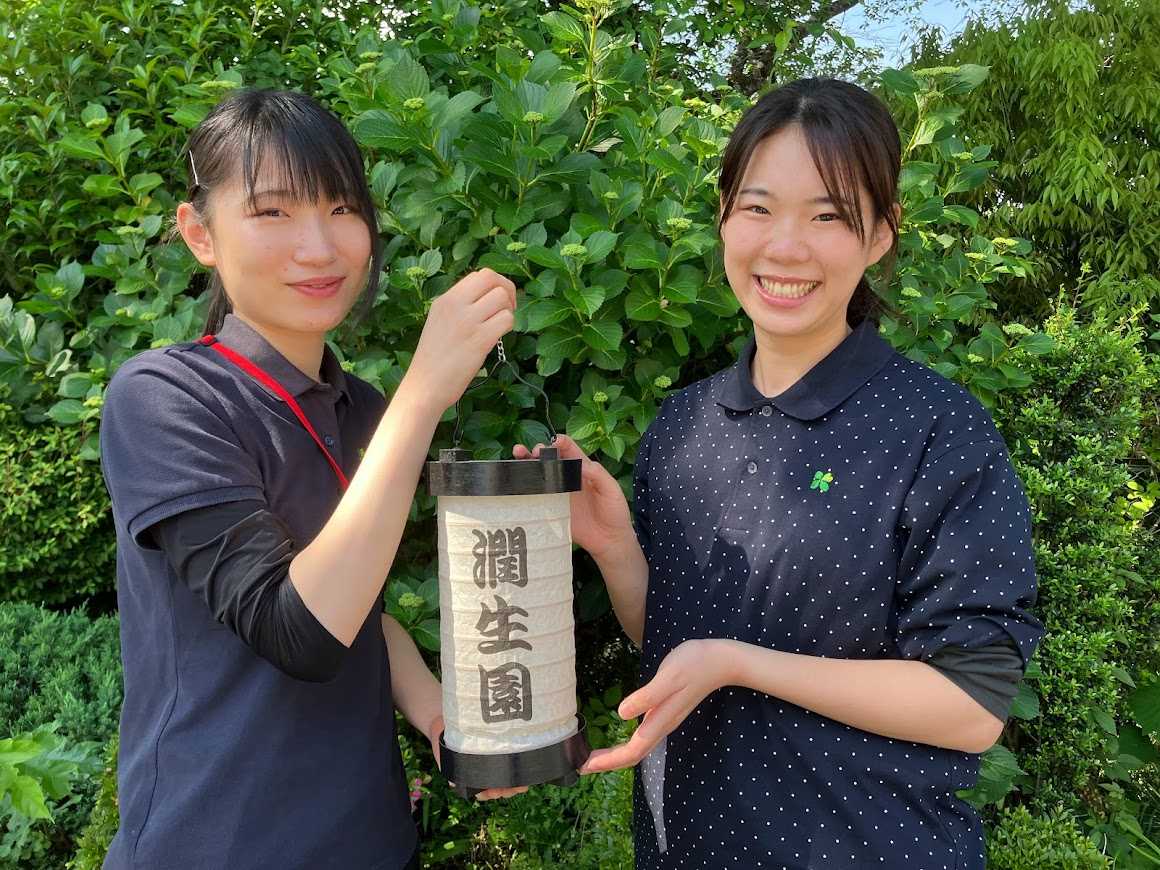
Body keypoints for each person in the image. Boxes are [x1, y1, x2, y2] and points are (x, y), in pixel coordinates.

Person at [515, 78, 1044, 869]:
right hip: (685, 847)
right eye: (758, 208)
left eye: (828, 216)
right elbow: (674, 644)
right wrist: (616, 548)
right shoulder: (683, 425)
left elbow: (973, 704)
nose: (785, 246)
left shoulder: (936, 428)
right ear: (724, 218)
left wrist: (741, 665)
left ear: (881, 235)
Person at [99, 88, 523, 870]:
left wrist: (437, 713)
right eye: (272, 212)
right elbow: (300, 631)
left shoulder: (362, 409)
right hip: (219, 845)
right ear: (200, 233)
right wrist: (424, 394)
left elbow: (360, 608)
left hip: (373, 840)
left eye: (342, 208)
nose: (321, 248)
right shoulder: (163, 398)